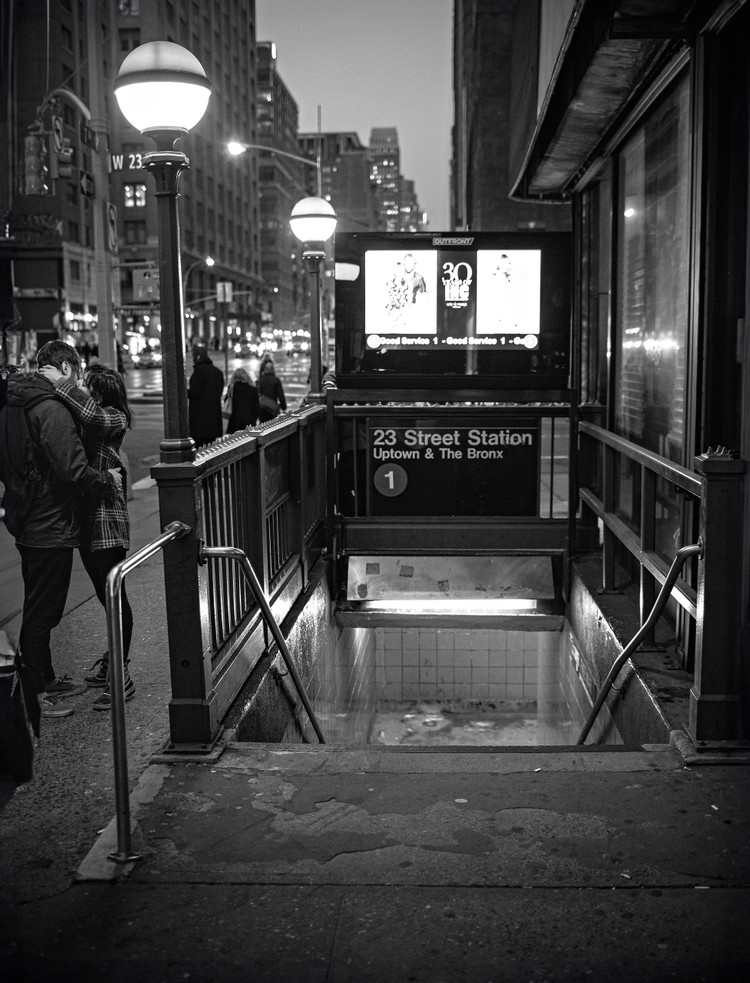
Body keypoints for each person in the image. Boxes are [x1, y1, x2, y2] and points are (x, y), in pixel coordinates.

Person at [2, 341, 121, 718]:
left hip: (24, 518)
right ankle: (34, 695)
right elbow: (72, 470)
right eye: (77, 372)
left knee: (37, 602)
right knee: (43, 612)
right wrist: (106, 480)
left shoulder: (11, 405)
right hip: (50, 523)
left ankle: (47, 678)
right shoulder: (51, 409)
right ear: (66, 369)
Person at [39, 362, 135, 711]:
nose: (81, 388)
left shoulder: (114, 417)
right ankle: (113, 661)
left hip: (108, 522)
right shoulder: (91, 415)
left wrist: (62, 382)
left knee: (114, 597)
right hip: (89, 522)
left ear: (101, 392)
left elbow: (92, 417)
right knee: (103, 594)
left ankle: (121, 676)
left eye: (86, 386)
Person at [188, 344, 224, 447]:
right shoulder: (218, 373)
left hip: (200, 418)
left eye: (193, 356)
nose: (193, 359)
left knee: (198, 449)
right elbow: (219, 392)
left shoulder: (199, 372)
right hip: (213, 416)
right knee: (211, 448)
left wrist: (183, 392)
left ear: (198, 357)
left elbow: (195, 392)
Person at [224, 367, 259, 433]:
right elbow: (256, 406)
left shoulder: (232, 388)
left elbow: (226, 401)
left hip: (235, 421)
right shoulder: (252, 389)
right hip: (249, 421)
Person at [257, 358, 287, 423]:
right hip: (272, 408)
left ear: (265, 370)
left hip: (262, 408)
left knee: (263, 426)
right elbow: (280, 395)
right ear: (273, 370)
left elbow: (257, 394)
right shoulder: (276, 380)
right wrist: (283, 407)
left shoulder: (260, 380)